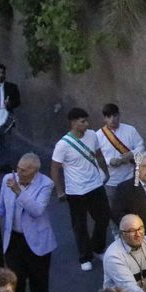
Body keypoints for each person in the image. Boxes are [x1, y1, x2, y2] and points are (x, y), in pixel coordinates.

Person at [0, 152, 58, 292]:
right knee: (16, 282)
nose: (18, 173)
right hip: (14, 241)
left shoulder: (46, 184)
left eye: (23, 170)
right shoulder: (8, 179)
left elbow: (37, 210)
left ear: (34, 171)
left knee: (39, 283)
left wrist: (18, 191)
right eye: (17, 168)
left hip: (38, 242)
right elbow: (0, 208)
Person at [51, 107, 113, 272]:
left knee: (104, 217)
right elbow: (55, 168)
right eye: (83, 121)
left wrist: (105, 172)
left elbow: (98, 154)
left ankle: (98, 247)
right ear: (73, 123)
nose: (87, 124)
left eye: (86, 121)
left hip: (95, 185)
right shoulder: (63, 145)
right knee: (80, 225)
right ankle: (85, 256)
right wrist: (59, 191)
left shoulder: (92, 135)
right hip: (76, 191)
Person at [97, 103, 145, 207]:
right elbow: (95, 158)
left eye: (115, 116)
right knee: (112, 210)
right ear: (104, 118)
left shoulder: (130, 130)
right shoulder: (98, 136)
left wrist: (131, 154)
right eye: (109, 117)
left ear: (119, 115)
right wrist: (110, 161)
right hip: (110, 181)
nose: (112, 119)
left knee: (132, 208)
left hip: (130, 178)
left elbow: (141, 147)